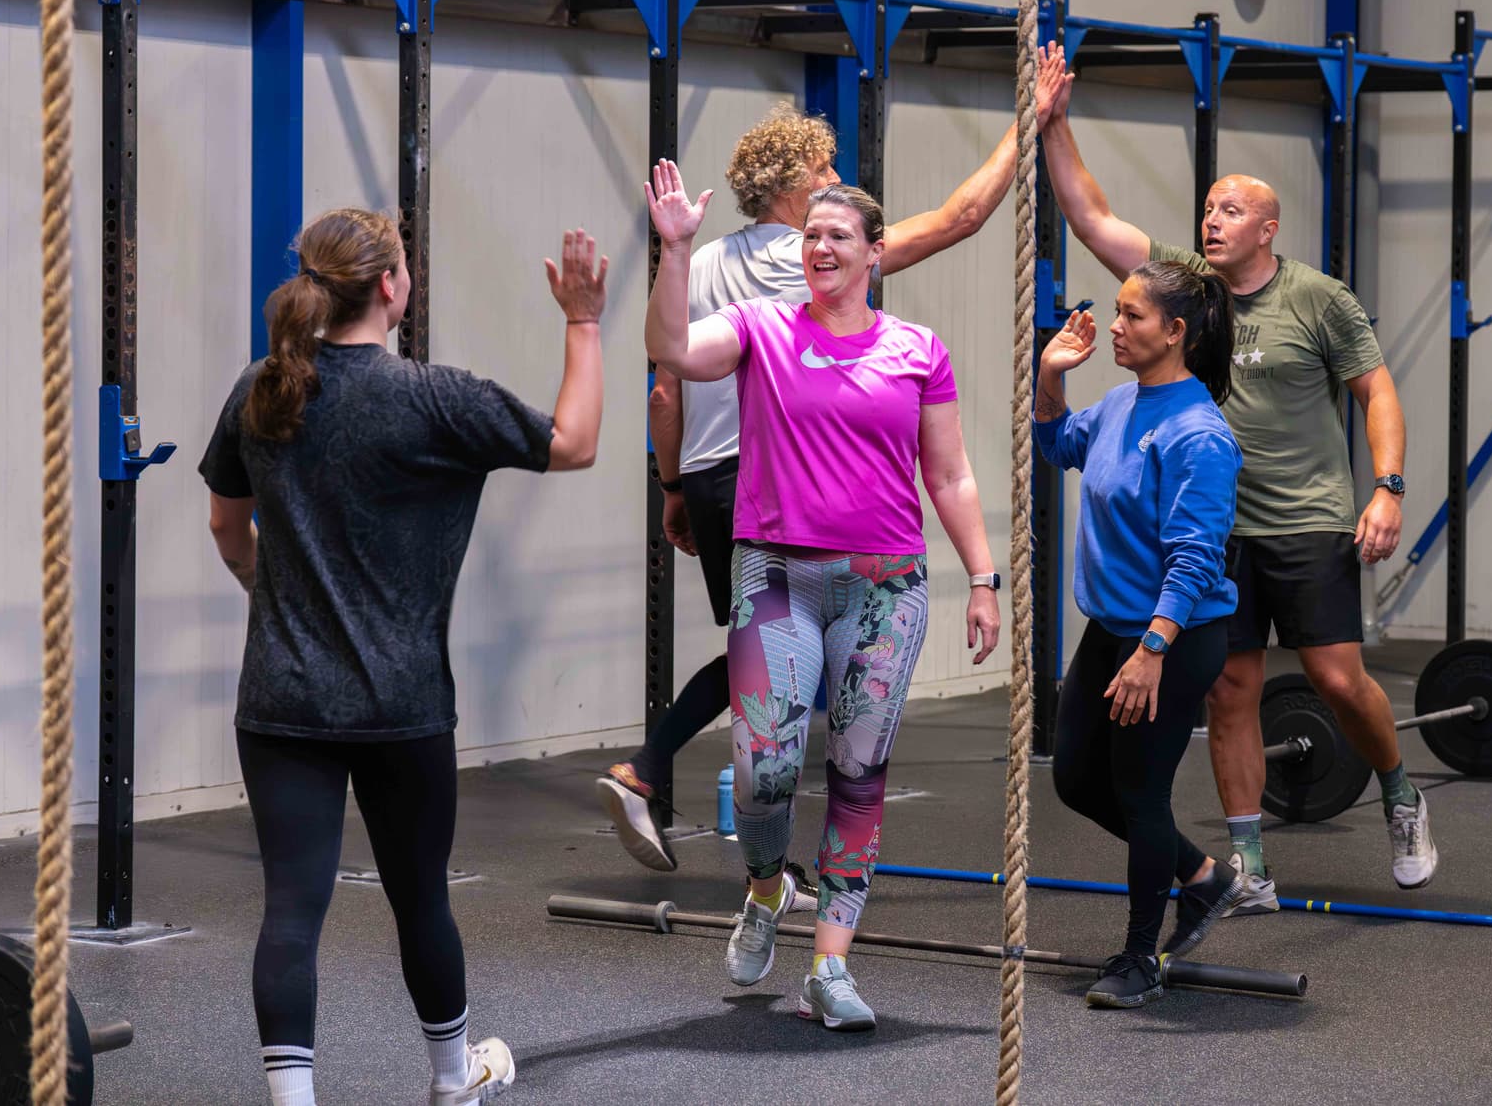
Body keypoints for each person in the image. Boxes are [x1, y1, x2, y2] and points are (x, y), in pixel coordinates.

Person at [200, 208, 610, 1106]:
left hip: (283, 698)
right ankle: (453, 1080)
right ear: (391, 286)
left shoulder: (261, 391)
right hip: (402, 702)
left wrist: (280, 601)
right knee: (420, 898)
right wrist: (582, 319)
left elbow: (229, 531)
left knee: (291, 911)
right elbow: (576, 442)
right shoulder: (435, 399)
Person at [600, 99, 1042, 873]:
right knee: (786, 669)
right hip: (780, 472)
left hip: (706, 474)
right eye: (823, 174)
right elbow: (964, 215)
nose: (837, 182)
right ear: (788, 192)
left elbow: (663, 391)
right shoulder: (810, 261)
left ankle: (660, 771)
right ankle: (667, 775)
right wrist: (1025, 121)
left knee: (768, 658)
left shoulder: (698, 264)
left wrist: (671, 484)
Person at [1034, 42, 1432, 893]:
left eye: (1231, 209)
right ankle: (1246, 863)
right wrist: (1054, 123)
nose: (1212, 219)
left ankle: (1400, 790)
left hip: (1310, 515)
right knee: (1232, 690)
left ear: (1268, 227)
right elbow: (1091, 216)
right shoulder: (1187, 290)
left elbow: (1378, 391)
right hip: (1218, 532)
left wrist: (1388, 487)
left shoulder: (1318, 298)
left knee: (1333, 676)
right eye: (1208, 207)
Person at [643, 160, 1002, 1032]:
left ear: (875, 254)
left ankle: (831, 965)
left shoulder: (918, 350)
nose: (820, 248)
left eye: (839, 236)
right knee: (765, 769)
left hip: (886, 584)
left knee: (857, 769)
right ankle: (767, 887)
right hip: (776, 573)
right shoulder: (761, 326)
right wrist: (677, 249)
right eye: (812, 236)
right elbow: (673, 353)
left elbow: (949, 475)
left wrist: (983, 578)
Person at [1035, 263, 1249, 1009]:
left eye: (1131, 316)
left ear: (1176, 332)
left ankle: (1139, 957)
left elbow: (1194, 558)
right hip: (1114, 627)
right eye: (1118, 313)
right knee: (1074, 779)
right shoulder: (1123, 402)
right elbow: (1060, 445)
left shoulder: (1198, 434)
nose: (1115, 327)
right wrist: (1051, 374)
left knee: (1140, 792)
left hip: (1174, 637)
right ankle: (1203, 876)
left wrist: (1152, 652)